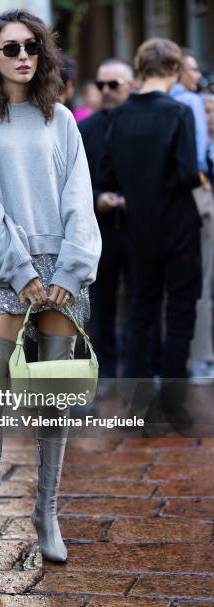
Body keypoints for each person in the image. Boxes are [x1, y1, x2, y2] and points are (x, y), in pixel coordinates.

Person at [0, 9, 101, 587]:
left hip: (61, 273)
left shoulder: (60, 118)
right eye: (10, 47)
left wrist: (68, 268)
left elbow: (79, 200)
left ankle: (46, 513)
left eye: (32, 46)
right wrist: (19, 272)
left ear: (43, 55)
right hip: (2, 272)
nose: (22, 56)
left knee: (52, 398)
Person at [100, 38, 201, 422]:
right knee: (179, 312)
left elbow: (108, 174)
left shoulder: (120, 116)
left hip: (137, 228)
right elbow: (188, 173)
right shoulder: (179, 112)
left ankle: (138, 403)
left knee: (140, 312)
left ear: (140, 70)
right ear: (174, 70)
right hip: (178, 227)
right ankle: (175, 403)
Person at [79, 58, 133, 382]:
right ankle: (107, 369)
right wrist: (98, 197)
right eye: (102, 85)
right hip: (100, 231)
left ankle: (139, 366)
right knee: (102, 304)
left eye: (114, 84)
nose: (107, 91)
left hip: (138, 228)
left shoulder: (142, 125)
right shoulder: (85, 129)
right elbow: (75, 181)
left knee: (140, 301)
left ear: (131, 85)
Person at [170, 49, 214, 384]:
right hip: (197, 198)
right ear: (175, 70)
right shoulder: (189, 102)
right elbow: (196, 160)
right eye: (191, 69)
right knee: (202, 283)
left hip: (164, 205)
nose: (196, 75)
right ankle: (201, 361)